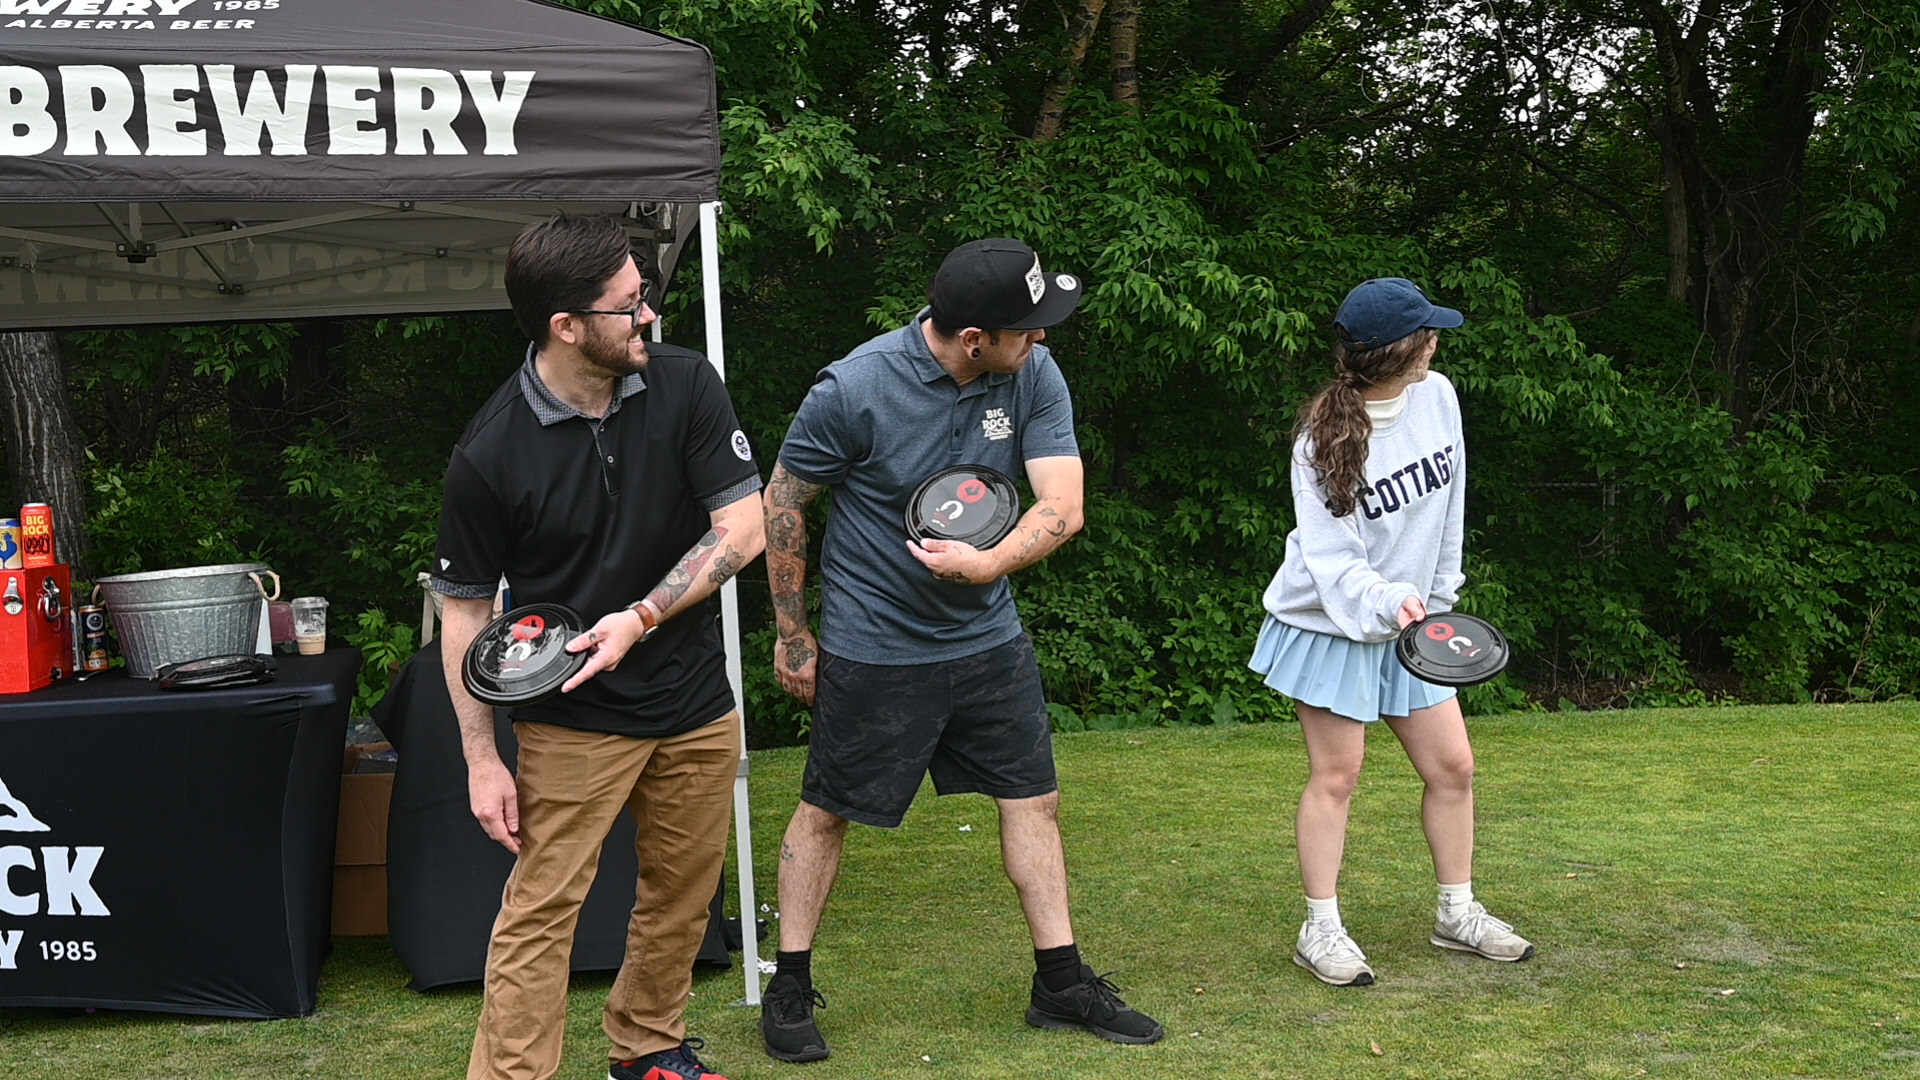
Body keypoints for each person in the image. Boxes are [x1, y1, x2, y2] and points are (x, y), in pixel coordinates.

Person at [757, 239, 1164, 1061]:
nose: (1041, 339)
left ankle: (1061, 983)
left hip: (987, 640)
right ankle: (789, 985)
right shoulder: (855, 386)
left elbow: (1063, 503)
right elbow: (785, 501)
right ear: (975, 338)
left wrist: (988, 565)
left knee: (1034, 802)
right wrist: (794, 633)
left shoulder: (1032, 374)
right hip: (876, 646)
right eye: (1027, 328)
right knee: (828, 809)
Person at [430, 213, 765, 1080]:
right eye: (628, 304)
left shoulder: (685, 384)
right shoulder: (490, 452)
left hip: (693, 698)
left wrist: (642, 617)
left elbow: (744, 527)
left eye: (643, 295)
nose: (648, 315)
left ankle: (648, 1047)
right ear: (567, 326)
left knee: (683, 894)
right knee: (543, 913)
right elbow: (464, 614)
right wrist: (481, 760)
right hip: (571, 717)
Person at [1248, 277, 1534, 988]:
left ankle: (1457, 914)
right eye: (1429, 334)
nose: (1438, 341)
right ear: (1404, 350)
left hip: (1413, 621)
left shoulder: (1438, 397)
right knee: (1337, 776)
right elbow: (1333, 559)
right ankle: (1321, 930)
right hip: (1333, 623)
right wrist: (1392, 601)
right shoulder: (1320, 439)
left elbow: (1450, 505)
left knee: (1454, 767)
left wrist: (1439, 601)